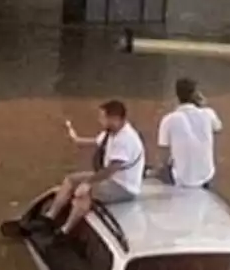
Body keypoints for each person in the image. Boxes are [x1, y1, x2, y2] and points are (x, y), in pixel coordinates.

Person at [29, 99, 145, 242]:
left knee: (84, 194)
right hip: (110, 178)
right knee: (71, 180)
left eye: (102, 117)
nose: (99, 120)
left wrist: (87, 184)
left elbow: (110, 169)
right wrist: (75, 139)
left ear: (114, 118)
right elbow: (96, 142)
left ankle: (65, 231)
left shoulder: (125, 139)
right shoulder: (112, 132)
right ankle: (49, 217)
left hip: (123, 186)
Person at [156, 77, 221, 188]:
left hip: (180, 178)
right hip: (206, 176)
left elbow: (163, 154)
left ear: (177, 96)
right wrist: (203, 104)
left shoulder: (168, 119)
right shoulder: (208, 114)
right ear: (196, 94)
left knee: (161, 170)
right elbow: (218, 128)